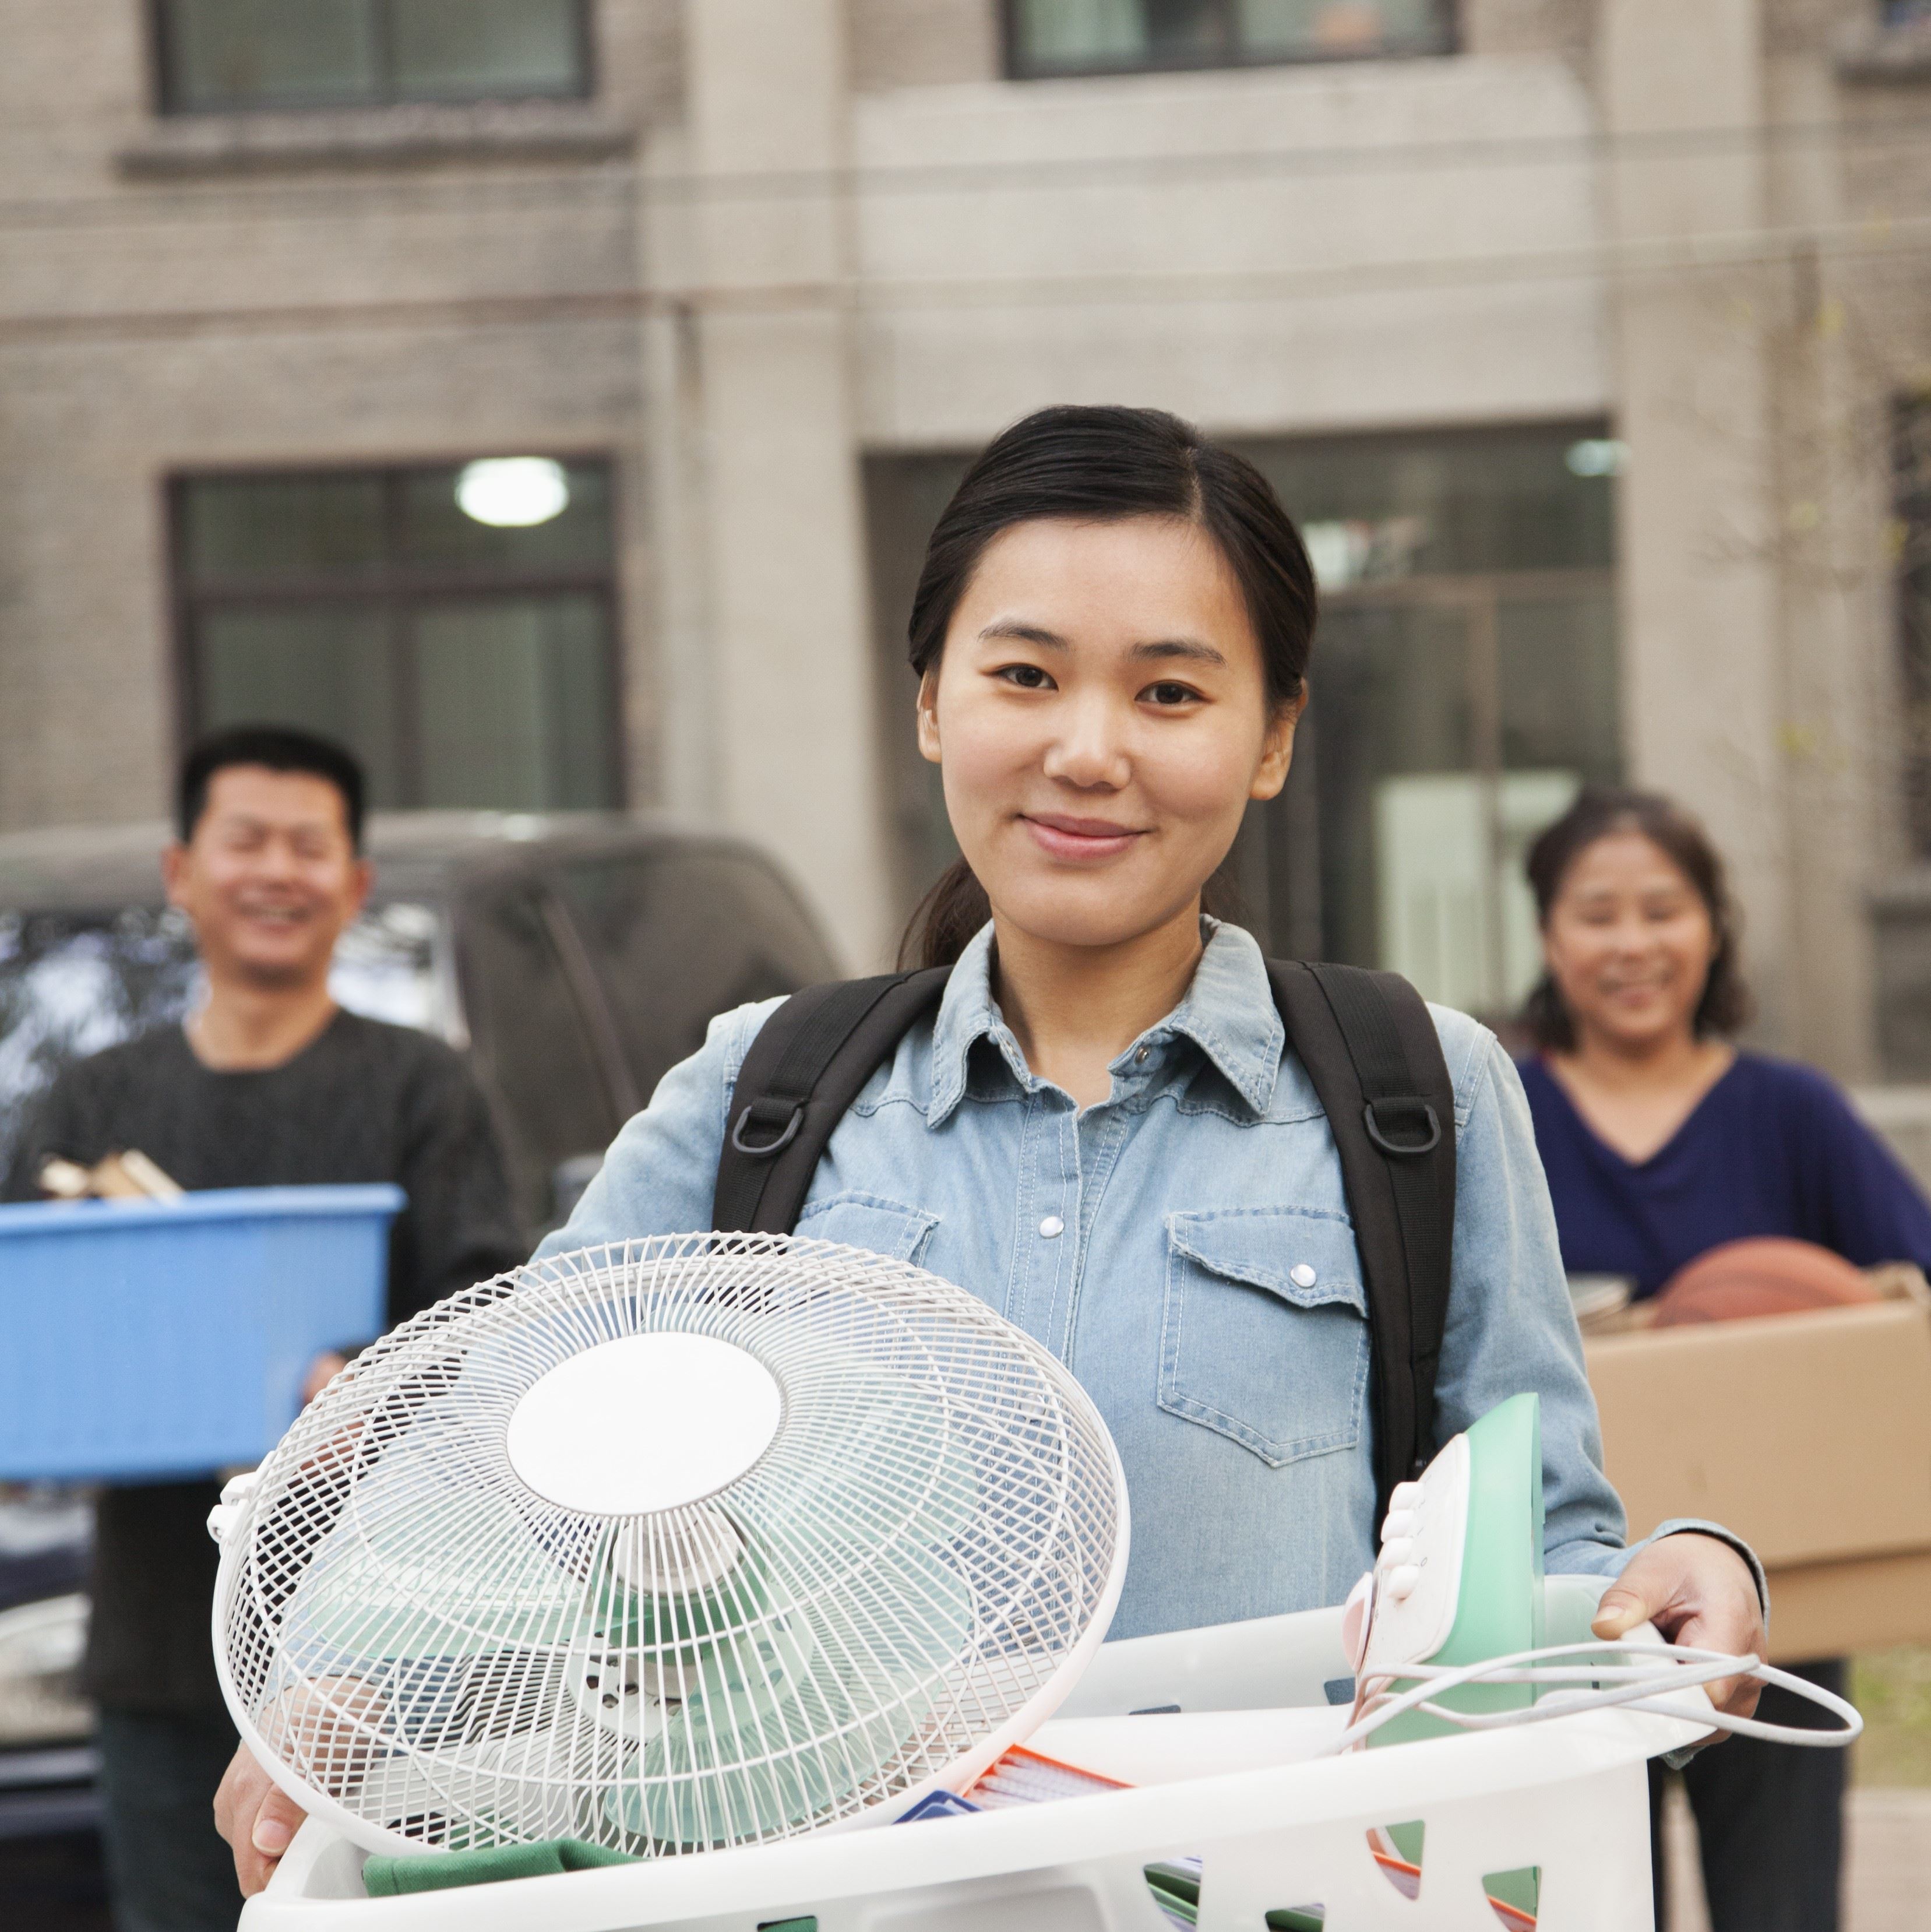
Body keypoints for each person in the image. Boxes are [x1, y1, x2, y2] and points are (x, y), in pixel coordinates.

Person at [214, 405, 1768, 1895]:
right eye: (1025, 673)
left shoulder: (1415, 1092)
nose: (1087, 751)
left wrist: (1685, 1572)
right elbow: (503, 1449)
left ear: (1275, 734)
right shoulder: (759, 1092)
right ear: (932, 701)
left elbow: (1543, 1544)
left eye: (1170, 692)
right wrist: (341, 1688)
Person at [3, 726, 524, 1932]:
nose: (275, 872)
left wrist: (370, 1386)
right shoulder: (97, 1099)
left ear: (353, 884)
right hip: (155, 1639)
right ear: (184, 871)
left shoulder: (420, 1086)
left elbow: (489, 1327)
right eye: (246, 841)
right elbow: (40, 1325)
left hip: (390, 1657)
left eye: (309, 846)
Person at [1516, 784, 1931, 1932]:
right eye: (1597, 912)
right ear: (1549, 934)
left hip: (1781, 1597)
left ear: (1712, 925)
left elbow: (1911, 1304)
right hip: (1573, 1612)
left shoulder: (1791, 1111)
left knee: (1785, 1909)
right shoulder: (1499, 1113)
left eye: (1663, 908)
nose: (1633, 942)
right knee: (1599, 1905)